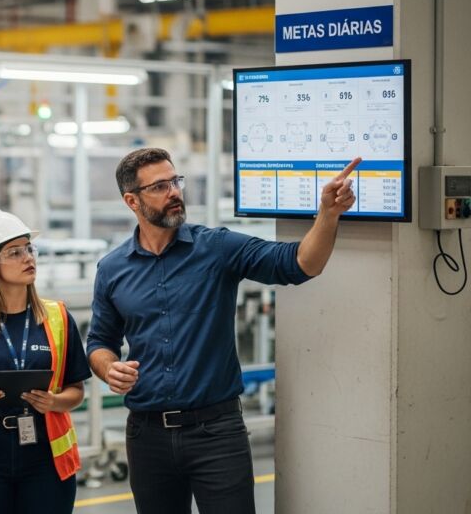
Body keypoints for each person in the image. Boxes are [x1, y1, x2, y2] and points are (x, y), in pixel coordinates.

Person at [86, 148, 360, 514]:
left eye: (176, 181)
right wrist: (108, 367)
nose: (175, 192)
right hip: (146, 435)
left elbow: (301, 263)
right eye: (160, 186)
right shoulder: (112, 268)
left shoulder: (216, 248)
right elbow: (100, 342)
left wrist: (328, 215)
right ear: (131, 200)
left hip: (216, 432)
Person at [0, 209, 90, 514]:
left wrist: (54, 402)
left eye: (29, 249)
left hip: (45, 456)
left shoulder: (58, 318)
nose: (28, 258)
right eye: (15, 252)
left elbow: (76, 390)